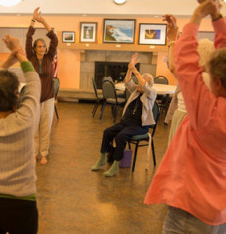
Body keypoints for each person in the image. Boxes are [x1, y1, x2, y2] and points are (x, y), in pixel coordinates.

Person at [145, 0, 226, 232]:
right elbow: (190, 62)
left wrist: (201, 14)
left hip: (192, 209)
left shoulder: (207, 113)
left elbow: (185, 65)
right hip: (219, 209)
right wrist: (215, 18)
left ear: (217, 82)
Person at [0, 34, 40, 234]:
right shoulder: (25, 120)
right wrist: (20, 55)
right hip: (22, 205)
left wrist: (10, 59)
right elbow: (34, 82)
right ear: (16, 95)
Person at [91, 53, 157, 177]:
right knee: (107, 132)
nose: (140, 85)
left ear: (148, 85)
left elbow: (144, 85)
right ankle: (102, 158)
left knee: (121, 136)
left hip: (140, 125)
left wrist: (135, 70)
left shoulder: (151, 94)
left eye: (143, 83)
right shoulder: (136, 90)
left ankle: (115, 165)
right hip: (126, 122)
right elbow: (127, 83)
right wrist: (129, 69)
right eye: (140, 82)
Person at [163, 14, 215, 143]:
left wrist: (172, 39)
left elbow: (174, 67)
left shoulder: (196, 77)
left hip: (186, 119)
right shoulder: (215, 79)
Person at [26, 7, 58, 165]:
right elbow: (28, 37)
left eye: (44, 46)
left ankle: (44, 153)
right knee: (33, 128)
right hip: (33, 98)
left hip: (48, 98)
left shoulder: (49, 57)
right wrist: (33, 20)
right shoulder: (30, 57)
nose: (43, 48)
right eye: (39, 46)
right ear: (34, 48)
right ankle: (33, 153)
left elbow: (55, 40)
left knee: (45, 128)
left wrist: (43, 21)